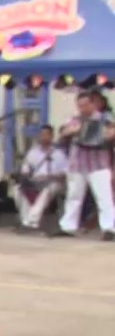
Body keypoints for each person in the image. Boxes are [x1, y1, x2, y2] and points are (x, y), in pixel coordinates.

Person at [55, 90, 115, 240]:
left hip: (99, 164)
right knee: (74, 196)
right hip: (77, 164)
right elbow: (62, 136)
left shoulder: (105, 118)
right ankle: (68, 227)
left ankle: (109, 228)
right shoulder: (74, 120)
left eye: (85, 105)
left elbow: (111, 132)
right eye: (80, 105)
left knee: (104, 197)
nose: (83, 108)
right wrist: (69, 131)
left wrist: (109, 134)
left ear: (93, 104)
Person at [13, 125, 66, 232]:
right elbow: (25, 169)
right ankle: (26, 221)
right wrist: (27, 176)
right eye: (42, 135)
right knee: (17, 189)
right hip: (35, 181)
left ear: (51, 136)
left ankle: (32, 221)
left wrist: (49, 177)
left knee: (47, 190)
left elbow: (65, 175)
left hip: (54, 182)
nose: (43, 137)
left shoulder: (59, 154)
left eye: (46, 134)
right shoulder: (33, 152)